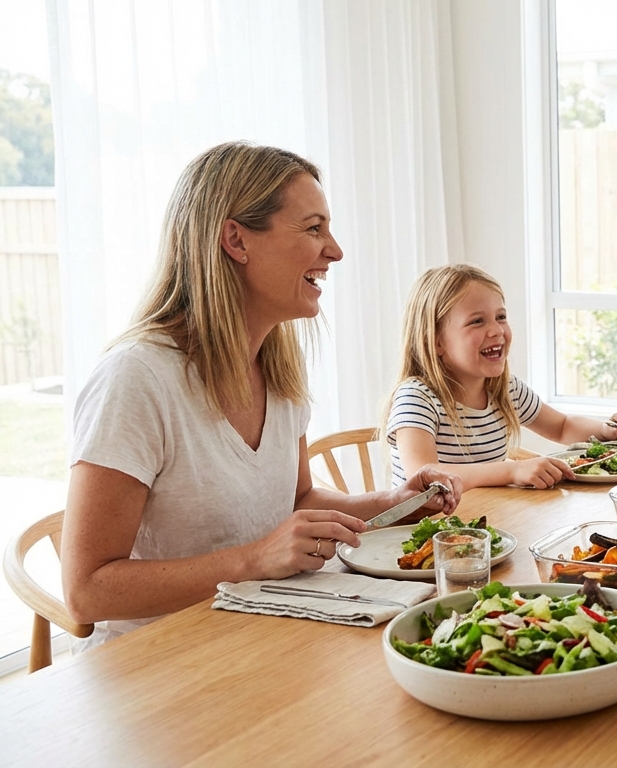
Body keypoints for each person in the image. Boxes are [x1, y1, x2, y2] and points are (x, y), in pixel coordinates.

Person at [62, 142, 465, 650]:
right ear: (236, 239)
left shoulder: (276, 367)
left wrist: (393, 503)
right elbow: (86, 591)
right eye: (313, 228)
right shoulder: (136, 378)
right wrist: (252, 560)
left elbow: (297, 500)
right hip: (158, 669)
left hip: (265, 639)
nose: (335, 250)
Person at [386, 264, 617, 490]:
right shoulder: (417, 398)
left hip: (481, 522)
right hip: (418, 534)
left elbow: (561, 426)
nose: (496, 330)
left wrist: (604, 431)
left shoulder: (504, 388)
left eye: (501, 317)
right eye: (477, 321)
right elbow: (425, 476)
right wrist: (512, 470)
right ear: (436, 341)